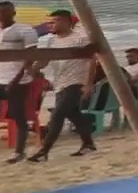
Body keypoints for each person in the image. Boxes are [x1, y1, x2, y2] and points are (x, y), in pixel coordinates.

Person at [30, 10, 97, 161]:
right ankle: (89, 144)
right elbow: (45, 61)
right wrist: (33, 68)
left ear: (67, 22)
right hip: (59, 83)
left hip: (76, 82)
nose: (50, 25)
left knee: (57, 115)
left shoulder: (81, 39)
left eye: (54, 21)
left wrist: (89, 84)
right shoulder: (51, 41)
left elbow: (93, 60)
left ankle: (44, 151)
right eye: (49, 22)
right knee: (74, 115)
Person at [0, 1, 41, 162]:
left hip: (17, 81)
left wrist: (16, 80)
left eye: (5, 12)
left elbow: (31, 57)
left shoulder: (25, 30)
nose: (1, 15)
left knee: (18, 116)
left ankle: (19, 152)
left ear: (13, 13)